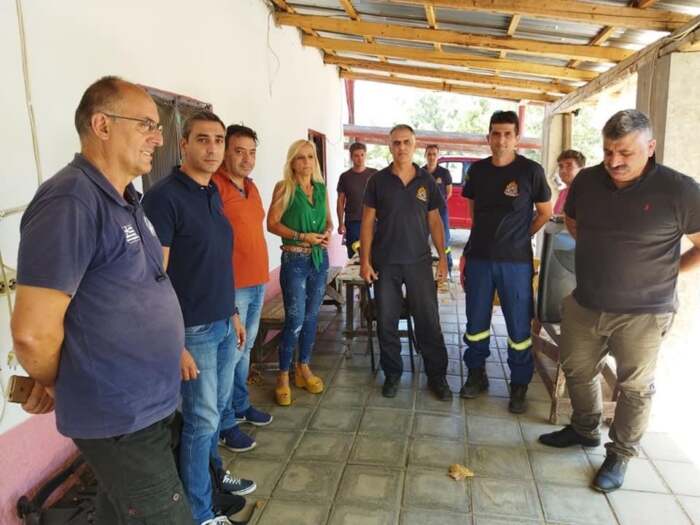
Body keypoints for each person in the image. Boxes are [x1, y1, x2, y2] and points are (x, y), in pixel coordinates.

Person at [11, 76, 192, 524]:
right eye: (146, 124)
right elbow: (33, 333)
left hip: (145, 403)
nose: (159, 138)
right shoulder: (71, 200)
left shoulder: (125, 198)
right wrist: (56, 382)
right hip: (120, 414)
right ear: (102, 125)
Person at [539, 109, 700, 492]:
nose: (614, 161)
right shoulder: (587, 180)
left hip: (644, 313)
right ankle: (584, 429)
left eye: (625, 152)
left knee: (634, 387)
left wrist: (668, 271)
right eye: (608, 151)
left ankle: (620, 454)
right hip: (585, 302)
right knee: (577, 369)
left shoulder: (680, 190)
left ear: (651, 147)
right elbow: (573, 221)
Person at [142, 111, 255, 525]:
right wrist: (174, 343)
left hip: (221, 321)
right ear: (184, 144)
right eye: (203, 139)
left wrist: (233, 312)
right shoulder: (164, 198)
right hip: (192, 330)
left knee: (214, 414)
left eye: (218, 140)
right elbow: (154, 278)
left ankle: (213, 479)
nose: (212, 148)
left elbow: (215, 262)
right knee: (201, 420)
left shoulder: (210, 193)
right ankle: (200, 513)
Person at [460, 110, 552, 414]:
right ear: (488, 137)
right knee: (476, 323)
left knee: (518, 325)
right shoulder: (477, 172)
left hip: (515, 262)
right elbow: (474, 213)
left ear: (517, 138)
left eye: (507, 134)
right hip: (480, 259)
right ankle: (476, 374)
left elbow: (545, 213)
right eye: (496, 134)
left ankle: (519, 384)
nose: (501, 140)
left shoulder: (531, 171)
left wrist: (520, 236)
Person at [360, 124, 451, 400]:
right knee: (386, 322)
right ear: (390, 146)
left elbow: (434, 221)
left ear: (415, 145)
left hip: (419, 262)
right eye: (396, 143)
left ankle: (437, 377)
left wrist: (443, 257)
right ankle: (392, 374)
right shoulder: (377, 181)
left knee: (428, 321)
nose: (401, 147)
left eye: (406, 142)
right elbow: (367, 223)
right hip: (386, 263)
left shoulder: (427, 181)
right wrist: (365, 261)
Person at [213, 124, 273, 453]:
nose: (247, 159)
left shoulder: (251, 187)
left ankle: (240, 405)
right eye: (239, 151)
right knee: (229, 354)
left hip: (258, 280)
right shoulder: (215, 187)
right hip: (232, 286)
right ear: (225, 153)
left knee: (245, 348)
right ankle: (224, 424)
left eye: (251, 152)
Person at [267, 140, 332, 406]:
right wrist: (302, 236)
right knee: (294, 319)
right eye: (300, 158)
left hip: (319, 259)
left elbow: (329, 220)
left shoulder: (320, 189)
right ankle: (283, 375)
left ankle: (303, 368)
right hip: (295, 260)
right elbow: (272, 224)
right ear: (292, 162)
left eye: (310, 157)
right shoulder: (285, 188)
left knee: (312, 317)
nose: (306, 162)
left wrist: (327, 233)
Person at [337, 142, 376, 257]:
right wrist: (340, 223)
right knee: (355, 255)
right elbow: (340, 201)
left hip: (373, 221)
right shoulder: (345, 177)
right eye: (356, 155)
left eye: (362, 155)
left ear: (366, 155)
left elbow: (383, 197)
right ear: (351, 157)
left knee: (374, 254)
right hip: (353, 222)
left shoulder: (374, 174)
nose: (360, 158)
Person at [423, 144, 454, 274]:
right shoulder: (420, 172)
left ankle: (448, 268)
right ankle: (423, 269)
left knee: (444, 240)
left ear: (438, 156)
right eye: (429, 154)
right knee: (421, 240)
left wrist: (437, 204)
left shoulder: (444, 173)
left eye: (434, 154)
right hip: (424, 212)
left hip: (441, 211)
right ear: (425, 155)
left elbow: (449, 192)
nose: (431, 157)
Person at [553, 149, 586, 215]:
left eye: (569, 165)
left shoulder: (586, 193)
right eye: (561, 166)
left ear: (582, 169)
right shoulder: (563, 192)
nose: (563, 171)